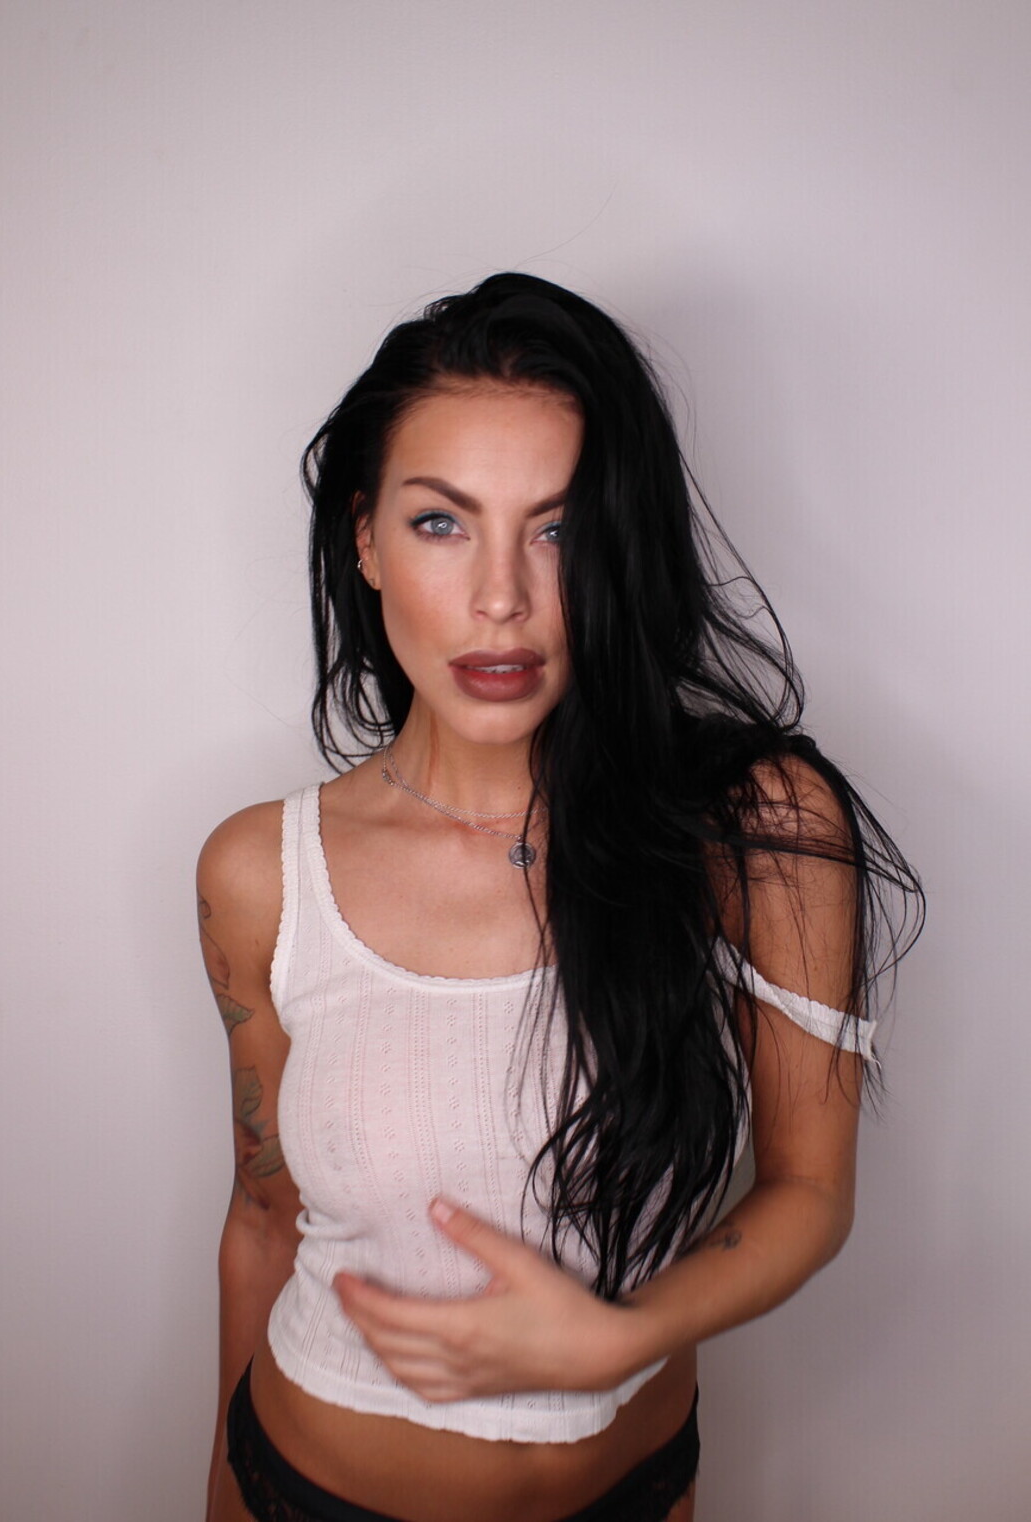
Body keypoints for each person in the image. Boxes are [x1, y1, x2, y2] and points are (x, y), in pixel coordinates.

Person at [198, 273, 921, 1522]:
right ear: (365, 539)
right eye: (442, 522)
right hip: (310, 1487)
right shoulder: (261, 870)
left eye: (559, 527)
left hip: (632, 1488)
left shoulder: (758, 830)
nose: (503, 598)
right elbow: (264, 1216)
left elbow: (810, 1189)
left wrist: (620, 1335)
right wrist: (222, 1494)